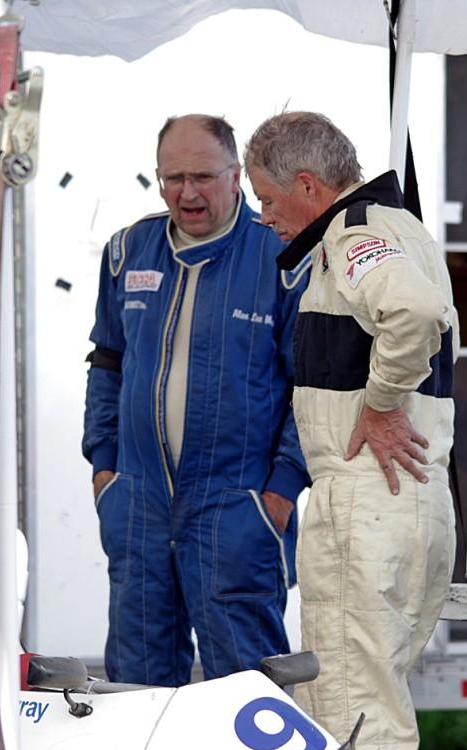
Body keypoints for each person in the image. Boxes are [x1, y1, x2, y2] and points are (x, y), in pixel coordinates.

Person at [245, 111, 459, 750]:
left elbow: (413, 315)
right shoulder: (403, 229)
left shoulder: (356, 231)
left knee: (350, 723)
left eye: (267, 201)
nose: (264, 217)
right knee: (376, 707)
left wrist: (380, 402)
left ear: (307, 184)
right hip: (411, 499)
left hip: (367, 497)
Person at [82, 114, 310, 687]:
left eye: (203, 176)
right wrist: (104, 467)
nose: (187, 192)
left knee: (247, 692)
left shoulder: (279, 257)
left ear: (237, 176)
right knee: (135, 690)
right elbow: (106, 363)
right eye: (173, 177)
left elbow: (309, 389)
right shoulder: (126, 252)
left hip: (238, 511)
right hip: (137, 505)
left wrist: (280, 492)